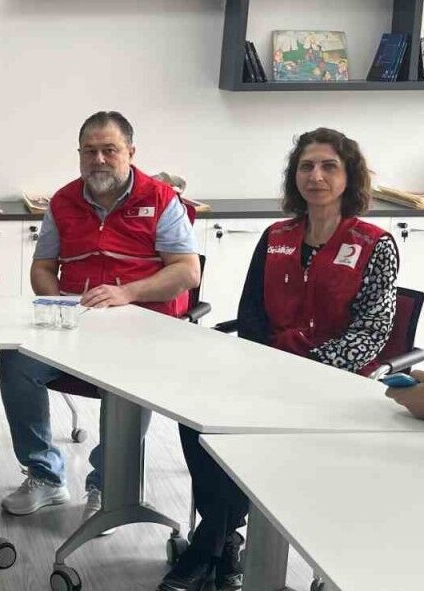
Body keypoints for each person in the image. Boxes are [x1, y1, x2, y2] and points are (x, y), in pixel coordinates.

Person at [162, 127, 398, 591]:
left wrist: (309, 370)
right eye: (306, 166)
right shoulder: (276, 236)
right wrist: (263, 366)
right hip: (269, 371)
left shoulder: (375, 244)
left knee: (248, 433)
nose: (316, 176)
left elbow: (372, 331)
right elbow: (251, 313)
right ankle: (224, 540)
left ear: (349, 177)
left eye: (329, 166)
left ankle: (210, 545)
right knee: (194, 415)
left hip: (334, 385)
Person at [0, 111, 200, 531]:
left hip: (144, 330)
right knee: (15, 363)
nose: (99, 160)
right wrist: (56, 304)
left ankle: (107, 485)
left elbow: (187, 271)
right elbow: (42, 267)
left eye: (110, 150)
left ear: (131, 152)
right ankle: (45, 475)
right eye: (89, 151)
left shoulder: (162, 199)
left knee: (129, 379)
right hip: (76, 326)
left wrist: (128, 293)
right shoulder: (63, 201)